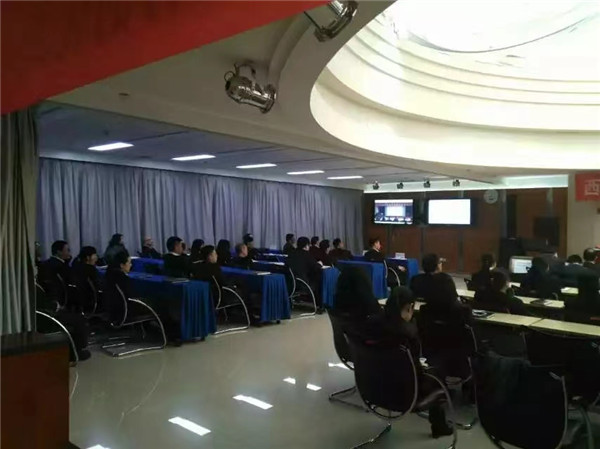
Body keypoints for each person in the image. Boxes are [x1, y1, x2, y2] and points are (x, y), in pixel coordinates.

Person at [381, 287, 453, 438]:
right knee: (438, 375)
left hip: (377, 387)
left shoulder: (374, 326)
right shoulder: (407, 334)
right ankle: (439, 426)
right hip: (406, 392)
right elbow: (415, 371)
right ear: (410, 307)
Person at [287, 236, 324, 311]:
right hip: (303, 283)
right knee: (319, 278)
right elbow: (315, 267)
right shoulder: (307, 255)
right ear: (306, 245)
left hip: (290, 283)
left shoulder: (291, 254)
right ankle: (320, 304)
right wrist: (320, 264)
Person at [104, 250, 134, 324]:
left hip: (112, 312)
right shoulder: (123, 279)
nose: (131, 265)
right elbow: (130, 296)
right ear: (122, 265)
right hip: (124, 311)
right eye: (129, 263)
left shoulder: (109, 275)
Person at [38, 240, 72, 304]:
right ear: (59, 252)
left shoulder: (46, 263)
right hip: (60, 299)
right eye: (67, 250)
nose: (69, 252)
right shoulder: (60, 266)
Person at [71, 246, 100, 311]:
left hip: (78, 299)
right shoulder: (90, 270)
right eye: (94, 255)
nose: (96, 257)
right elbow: (98, 285)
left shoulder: (76, 266)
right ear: (88, 257)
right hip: (91, 299)